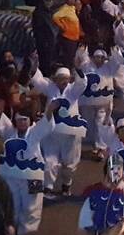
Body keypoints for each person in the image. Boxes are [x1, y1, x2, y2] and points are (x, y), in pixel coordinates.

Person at [0, 105, 55, 235]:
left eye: (25, 120)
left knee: (31, 206)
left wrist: (50, 110)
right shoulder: (10, 132)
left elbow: (46, 124)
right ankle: (13, 230)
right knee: (12, 204)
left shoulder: (35, 132)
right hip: (11, 175)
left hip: (33, 176)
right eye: (19, 120)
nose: (22, 123)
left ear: (30, 120)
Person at [28, 63, 89, 198]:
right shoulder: (50, 88)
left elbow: (82, 84)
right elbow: (38, 82)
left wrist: (79, 70)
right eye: (61, 78)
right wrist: (34, 68)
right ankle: (48, 187)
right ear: (56, 79)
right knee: (50, 161)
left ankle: (66, 185)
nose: (63, 81)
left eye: (66, 78)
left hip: (70, 135)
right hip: (52, 133)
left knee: (69, 163)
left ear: (69, 79)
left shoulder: (73, 90)